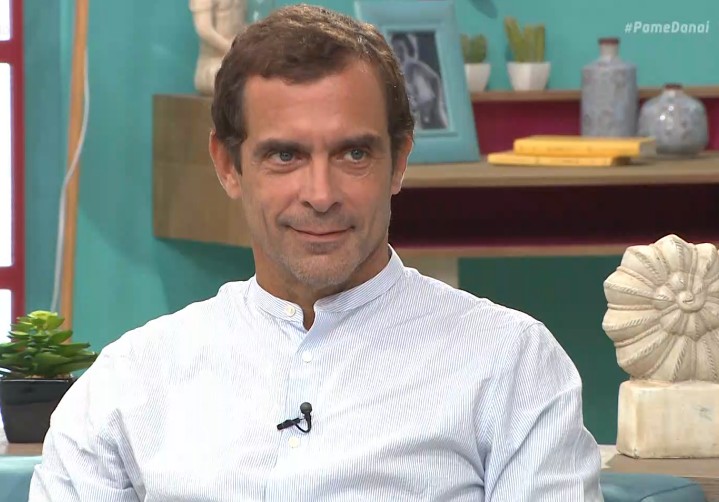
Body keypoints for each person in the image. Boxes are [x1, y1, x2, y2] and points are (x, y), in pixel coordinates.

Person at [29, 4, 603, 501]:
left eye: (354, 154)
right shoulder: (129, 382)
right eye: (285, 156)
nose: (321, 195)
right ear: (228, 165)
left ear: (399, 160)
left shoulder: (511, 364)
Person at [390, 32, 449, 130]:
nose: (398, 54)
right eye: (395, 50)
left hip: (425, 114)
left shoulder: (416, 67)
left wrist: (437, 104)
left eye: (401, 49)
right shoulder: (391, 72)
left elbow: (434, 79)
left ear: (407, 49)